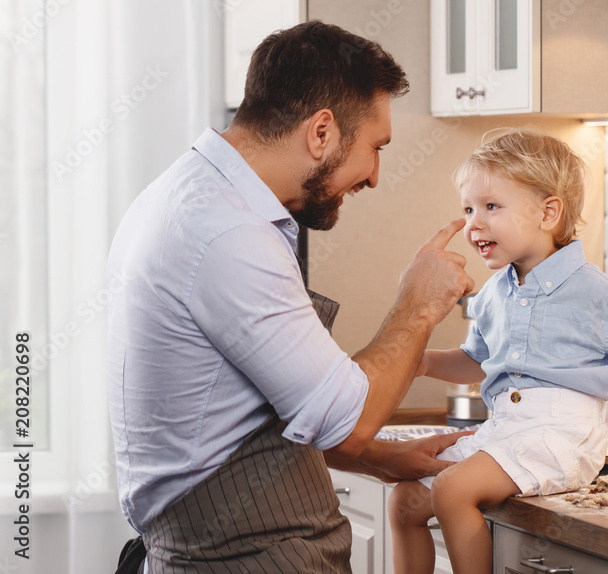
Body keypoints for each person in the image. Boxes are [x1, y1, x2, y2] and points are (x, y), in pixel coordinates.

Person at [106, 21, 475, 573]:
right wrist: (419, 303)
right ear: (321, 131)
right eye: (375, 148)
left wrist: (375, 458)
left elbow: (229, 415)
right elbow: (345, 417)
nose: (374, 176)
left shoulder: (188, 195)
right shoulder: (229, 232)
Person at [387, 128, 608, 574]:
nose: (473, 224)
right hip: (505, 429)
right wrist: (423, 361)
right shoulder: (492, 295)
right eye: (468, 209)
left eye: (491, 207)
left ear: (548, 213)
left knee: (451, 490)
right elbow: (475, 363)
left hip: (562, 437)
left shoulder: (601, 295)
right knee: (404, 501)